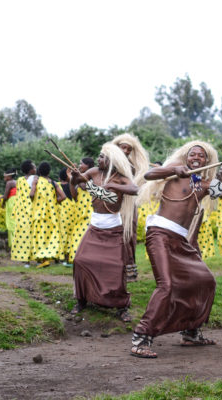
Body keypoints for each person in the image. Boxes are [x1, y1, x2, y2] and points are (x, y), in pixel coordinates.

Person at [130, 141, 222, 358]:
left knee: (204, 280)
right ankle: (141, 337)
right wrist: (174, 169)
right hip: (160, 234)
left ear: (206, 161)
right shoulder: (173, 171)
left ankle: (191, 332)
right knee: (167, 286)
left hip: (181, 241)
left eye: (201, 156)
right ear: (186, 156)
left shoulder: (203, 184)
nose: (196, 158)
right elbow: (149, 175)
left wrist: (215, 184)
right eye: (193, 154)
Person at [70, 144, 138, 322]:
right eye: (99, 156)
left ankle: (121, 306)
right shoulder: (93, 172)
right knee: (80, 260)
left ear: (113, 161)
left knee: (116, 266)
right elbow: (78, 184)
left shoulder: (121, 177)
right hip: (94, 227)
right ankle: (81, 300)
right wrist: (74, 178)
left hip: (114, 229)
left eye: (103, 157)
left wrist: (113, 186)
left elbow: (134, 189)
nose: (99, 159)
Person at [112, 133, 150, 281]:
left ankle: (129, 270)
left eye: (129, 149)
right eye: (124, 148)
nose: (127, 151)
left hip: (128, 204)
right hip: (112, 203)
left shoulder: (132, 166)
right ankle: (114, 269)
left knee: (129, 233)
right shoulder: (108, 162)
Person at [29, 162, 66, 268]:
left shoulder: (36, 181)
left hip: (40, 213)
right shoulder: (54, 183)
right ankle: (52, 256)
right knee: (52, 234)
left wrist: (34, 190)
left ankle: (42, 259)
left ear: (39, 171)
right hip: (52, 214)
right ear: (49, 172)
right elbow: (63, 197)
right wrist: (54, 201)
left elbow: (31, 195)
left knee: (40, 234)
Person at [67, 157, 95, 263]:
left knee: (88, 235)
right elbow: (74, 196)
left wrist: (84, 183)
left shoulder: (94, 177)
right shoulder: (78, 179)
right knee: (78, 235)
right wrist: (72, 180)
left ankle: (90, 259)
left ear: (88, 166)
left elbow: (89, 188)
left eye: (81, 164)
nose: (79, 166)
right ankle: (79, 259)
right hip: (80, 213)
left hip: (91, 213)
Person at [11, 160, 37, 267]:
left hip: (21, 211)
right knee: (35, 234)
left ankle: (25, 260)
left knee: (23, 234)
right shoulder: (36, 179)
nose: (36, 168)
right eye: (35, 166)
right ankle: (37, 258)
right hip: (33, 209)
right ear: (31, 170)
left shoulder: (20, 180)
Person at [58, 168, 76, 266]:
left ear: (59, 177)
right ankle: (70, 257)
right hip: (73, 211)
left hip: (62, 213)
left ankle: (63, 258)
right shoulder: (73, 185)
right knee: (72, 234)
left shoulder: (57, 185)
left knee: (63, 234)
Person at [0, 169, 17, 249]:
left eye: (5, 176)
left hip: (11, 203)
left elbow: (6, 196)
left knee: (11, 223)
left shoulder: (9, 183)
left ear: (9, 176)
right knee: (15, 222)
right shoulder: (16, 182)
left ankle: (13, 245)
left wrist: (3, 204)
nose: (4, 177)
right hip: (17, 202)